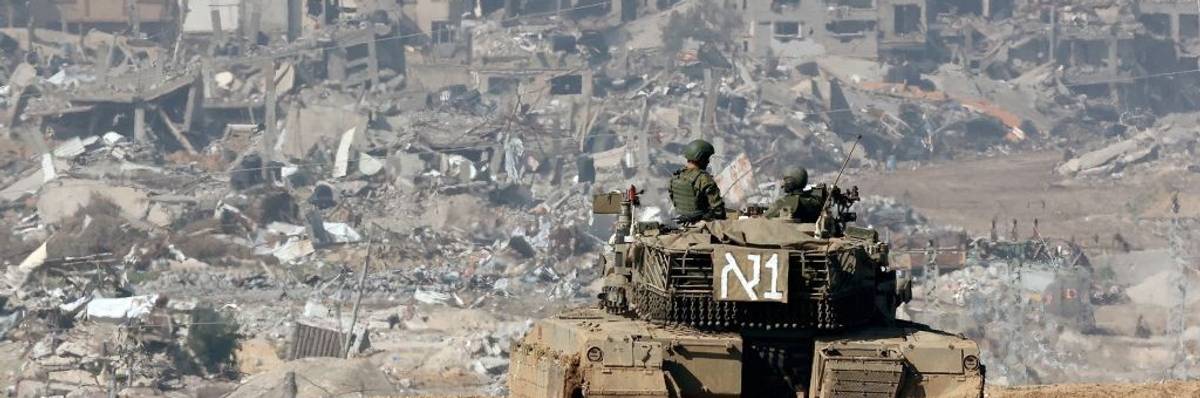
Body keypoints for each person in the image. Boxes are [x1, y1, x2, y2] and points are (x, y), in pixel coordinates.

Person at [669, 139, 725, 224]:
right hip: (702, 220)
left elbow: (672, 197)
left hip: (682, 219)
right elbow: (718, 209)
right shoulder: (703, 178)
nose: (708, 161)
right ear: (701, 158)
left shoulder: (676, 176)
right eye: (706, 158)